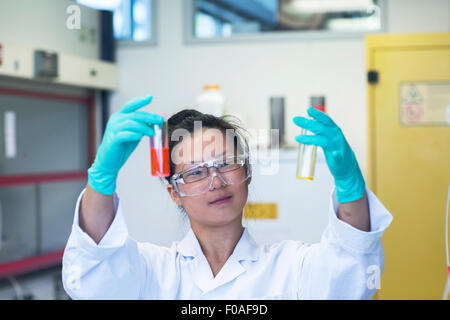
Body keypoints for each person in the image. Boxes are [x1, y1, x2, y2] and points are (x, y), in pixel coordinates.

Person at [62, 95, 393, 299]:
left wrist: (350, 184)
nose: (216, 181)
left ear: (247, 171)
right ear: (173, 192)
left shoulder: (290, 266)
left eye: (226, 164)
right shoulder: (152, 271)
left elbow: (350, 282)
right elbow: (94, 282)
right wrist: (101, 180)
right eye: (195, 172)